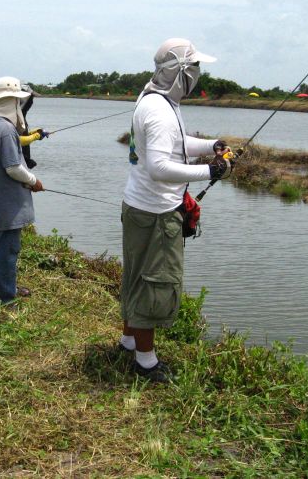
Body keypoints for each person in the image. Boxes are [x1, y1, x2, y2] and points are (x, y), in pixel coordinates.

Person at [119, 37, 231, 383]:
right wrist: (210, 171)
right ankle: (146, 362)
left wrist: (211, 146)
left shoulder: (156, 101)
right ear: (181, 71)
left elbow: (177, 145)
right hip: (155, 213)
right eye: (195, 67)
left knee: (137, 276)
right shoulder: (160, 110)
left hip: (140, 205)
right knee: (156, 283)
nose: (198, 74)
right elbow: (160, 168)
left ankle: (128, 342)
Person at [0, 76, 45, 307]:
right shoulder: (5, 129)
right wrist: (34, 180)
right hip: (8, 203)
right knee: (7, 251)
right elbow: (13, 167)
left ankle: (4, 287)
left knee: (1, 248)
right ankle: (4, 299)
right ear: (13, 103)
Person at [18, 84, 48, 168]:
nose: (31, 101)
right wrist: (36, 136)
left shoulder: (21, 116)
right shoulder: (13, 117)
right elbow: (14, 140)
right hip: (16, 166)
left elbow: (21, 134)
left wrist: (36, 132)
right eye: (31, 98)